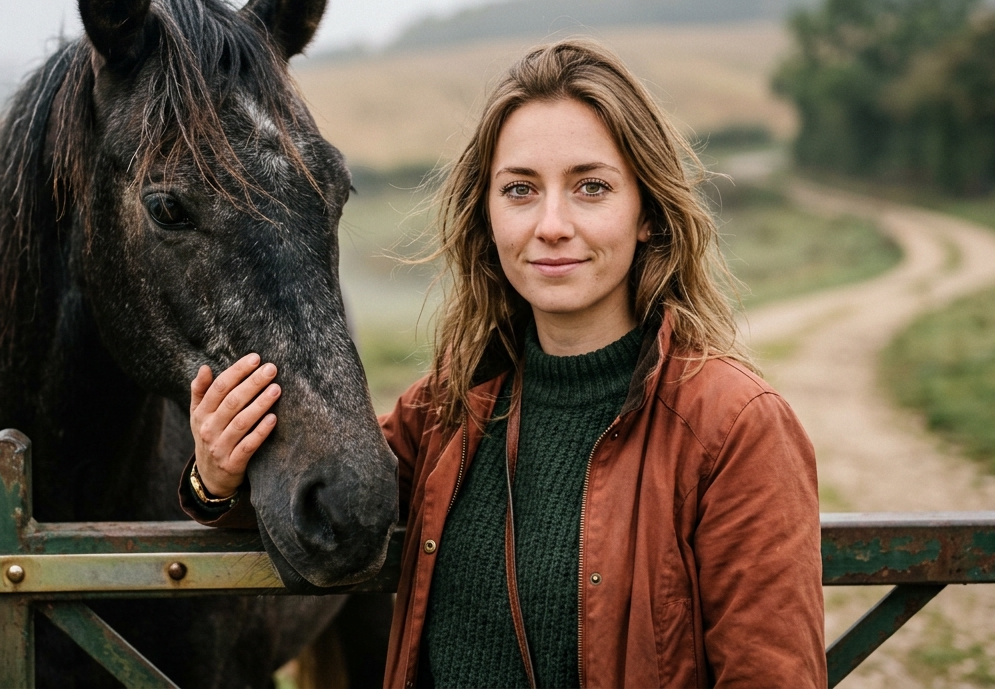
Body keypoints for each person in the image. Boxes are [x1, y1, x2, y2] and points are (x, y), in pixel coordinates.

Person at [182, 39, 826, 688]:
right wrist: (214, 478)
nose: (551, 224)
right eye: (520, 190)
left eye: (591, 188)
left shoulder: (735, 428)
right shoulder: (448, 410)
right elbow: (325, 508)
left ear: (648, 216)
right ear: (487, 217)